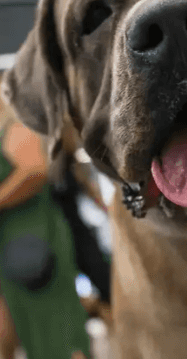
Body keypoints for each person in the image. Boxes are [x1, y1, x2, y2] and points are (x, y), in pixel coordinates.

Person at [0, 71, 90, 359]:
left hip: (35, 240)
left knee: (57, 329)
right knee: (37, 331)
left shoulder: (13, 127)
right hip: (12, 248)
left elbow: (35, 170)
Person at [51, 120, 113, 318]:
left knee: (104, 280)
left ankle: (111, 316)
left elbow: (91, 191)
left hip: (78, 231)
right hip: (59, 235)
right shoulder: (49, 168)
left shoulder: (73, 163)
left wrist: (110, 212)